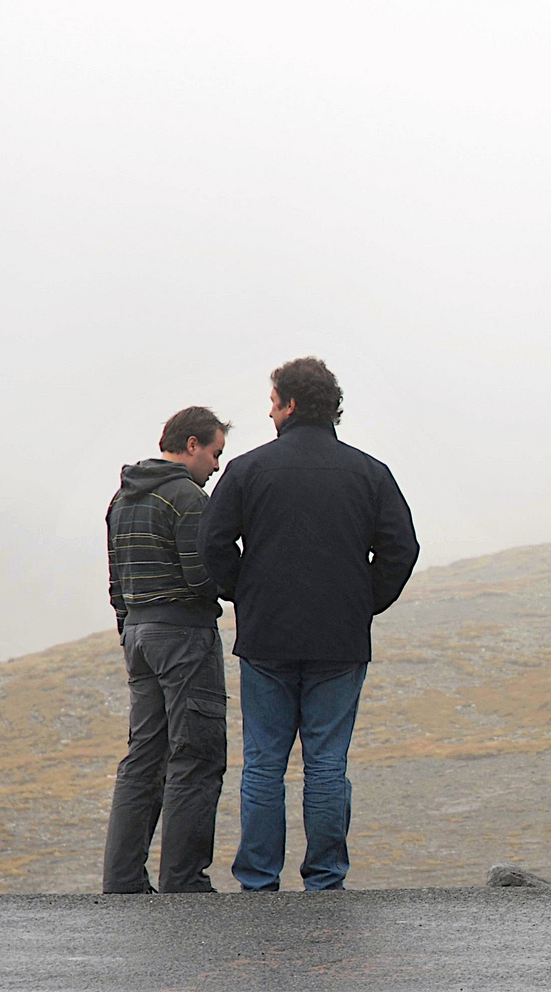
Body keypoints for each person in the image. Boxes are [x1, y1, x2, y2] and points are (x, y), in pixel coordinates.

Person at [201, 357, 419, 891]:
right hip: (340, 640)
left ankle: (258, 881)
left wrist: (244, 594)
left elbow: (211, 546)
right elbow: (401, 548)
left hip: (267, 637)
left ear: (291, 404)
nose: (269, 410)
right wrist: (364, 601)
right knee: (326, 765)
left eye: (272, 400)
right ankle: (325, 880)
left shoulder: (248, 469)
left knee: (263, 765)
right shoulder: (370, 472)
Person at [102, 406, 232, 894]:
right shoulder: (187, 498)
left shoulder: (123, 497)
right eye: (215, 453)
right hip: (183, 636)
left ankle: (122, 881)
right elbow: (202, 578)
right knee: (195, 756)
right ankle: (184, 881)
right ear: (193, 444)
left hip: (137, 635)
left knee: (143, 758)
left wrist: (128, 628)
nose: (216, 466)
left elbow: (116, 580)